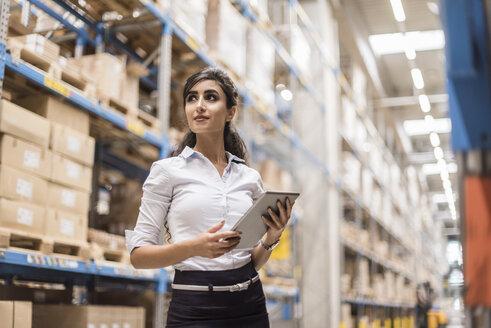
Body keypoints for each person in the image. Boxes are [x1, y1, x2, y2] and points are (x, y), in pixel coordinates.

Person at [125, 67, 295, 328]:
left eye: (210, 97)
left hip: (250, 306)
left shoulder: (249, 178)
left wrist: (272, 236)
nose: (199, 106)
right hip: (194, 308)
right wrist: (194, 247)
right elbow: (138, 256)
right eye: (192, 98)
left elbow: (251, 262)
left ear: (230, 112)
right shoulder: (167, 172)